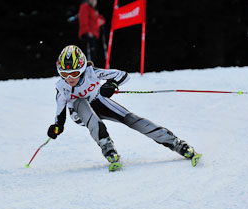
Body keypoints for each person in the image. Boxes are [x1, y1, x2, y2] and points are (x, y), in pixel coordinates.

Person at [47, 45, 202, 170]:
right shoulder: (62, 88)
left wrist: (111, 85)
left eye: (74, 73)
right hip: (80, 113)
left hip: (99, 102)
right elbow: (60, 116)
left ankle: (176, 143)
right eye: (64, 74)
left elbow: (123, 75)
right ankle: (107, 147)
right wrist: (56, 127)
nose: (70, 78)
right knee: (80, 102)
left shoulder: (91, 73)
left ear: (81, 69)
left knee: (131, 119)